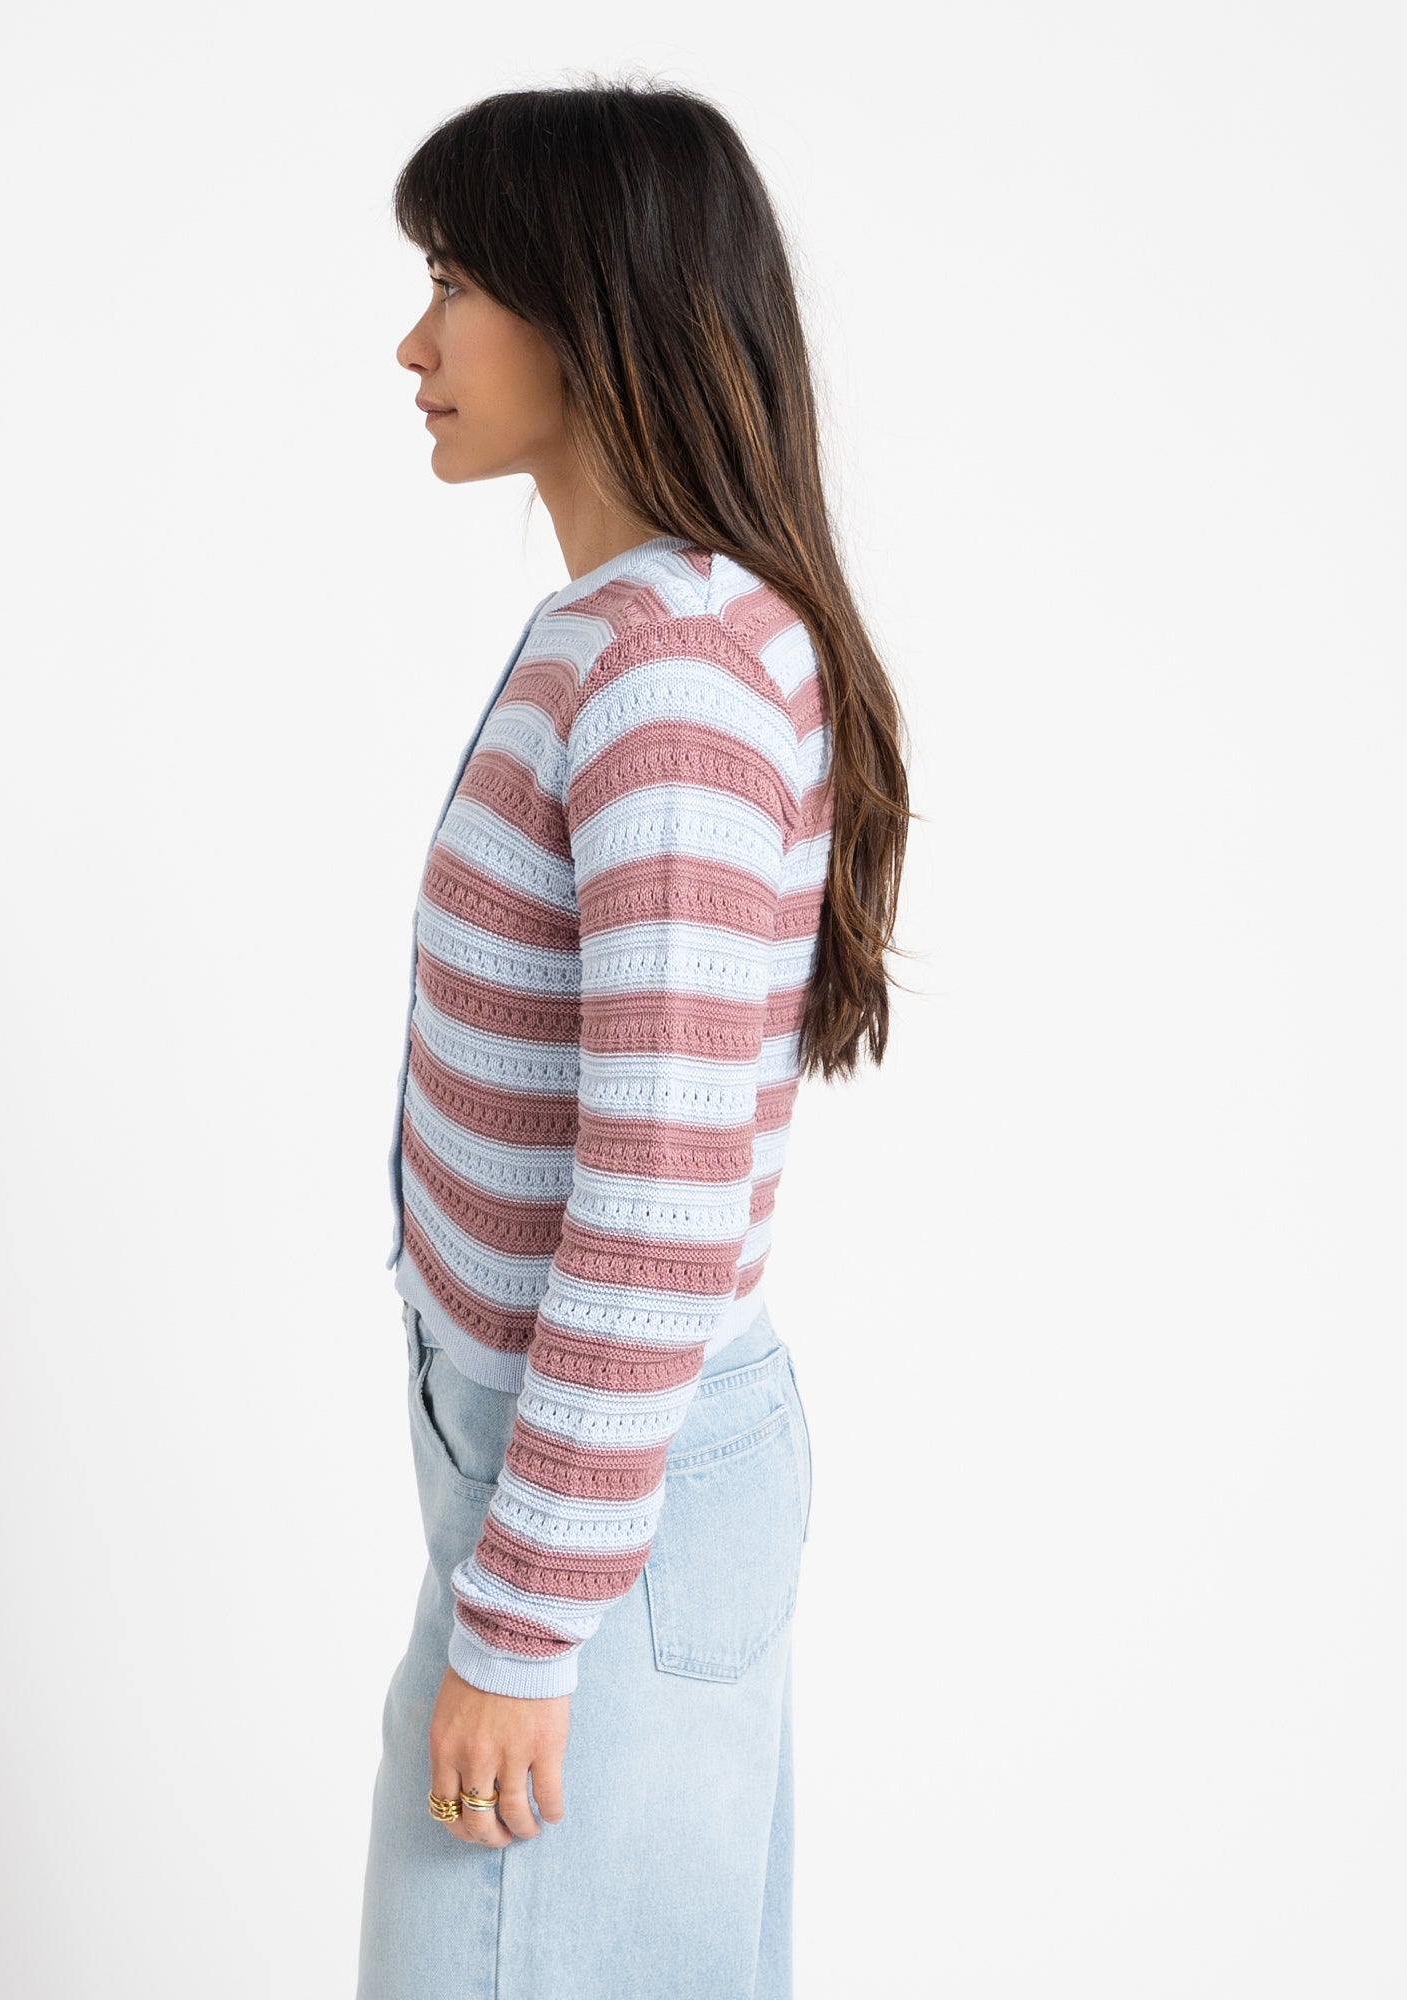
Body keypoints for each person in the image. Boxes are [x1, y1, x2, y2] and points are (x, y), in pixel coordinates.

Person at [357, 76, 912, 2000]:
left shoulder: (669, 666)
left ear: (592, 311)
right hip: (596, 1483)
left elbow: (660, 1203)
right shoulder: (639, 629)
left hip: (595, 1506)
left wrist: (521, 1626)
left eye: (455, 283)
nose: (414, 344)